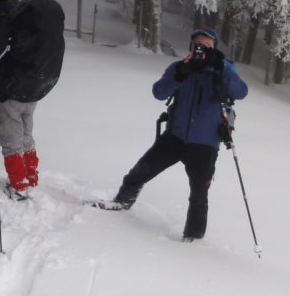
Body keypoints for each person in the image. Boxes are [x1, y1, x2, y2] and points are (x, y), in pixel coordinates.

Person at [96, 28, 248, 241]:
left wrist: (221, 66)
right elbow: (159, 93)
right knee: (139, 172)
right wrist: (179, 75)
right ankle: (122, 202)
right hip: (174, 138)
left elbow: (240, 92)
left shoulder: (223, 70)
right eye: (198, 45)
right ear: (191, 46)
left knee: (198, 194)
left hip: (204, 144)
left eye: (207, 46)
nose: (201, 49)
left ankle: (193, 236)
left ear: (214, 49)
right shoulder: (179, 68)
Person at [0, 0, 38, 199]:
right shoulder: (27, 15)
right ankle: (31, 177)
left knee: (10, 138)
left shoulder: (4, 20)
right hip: (32, 90)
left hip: (9, 91)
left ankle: (19, 185)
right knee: (26, 133)